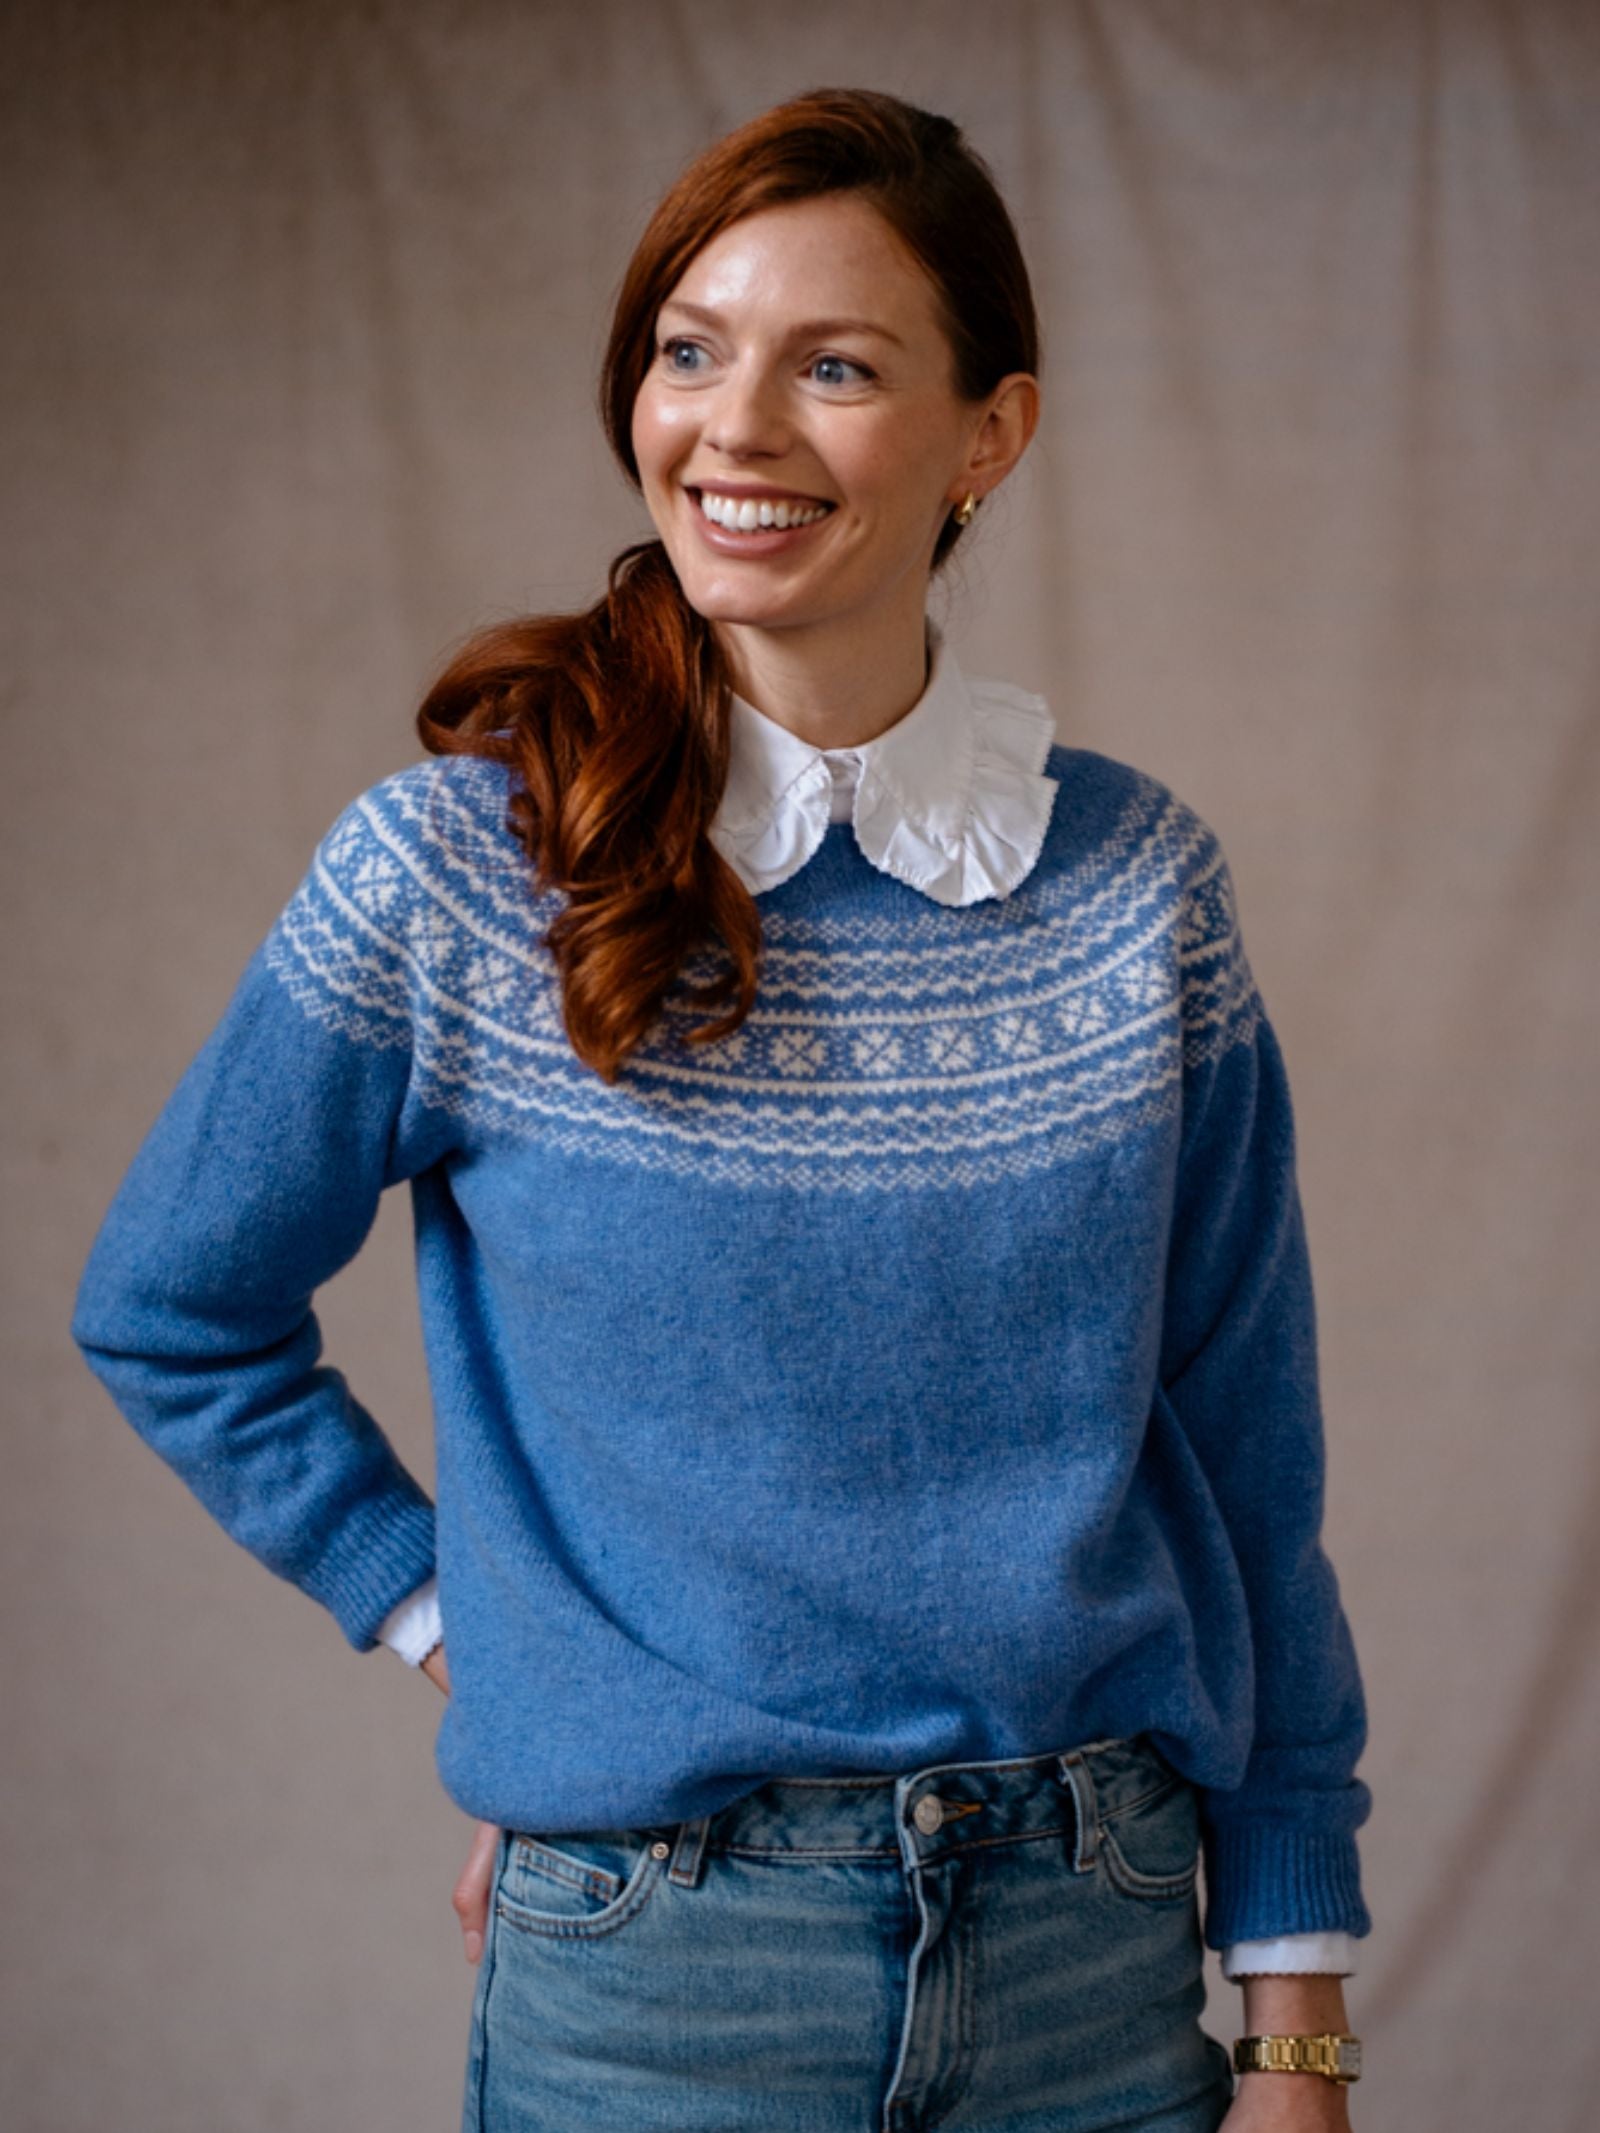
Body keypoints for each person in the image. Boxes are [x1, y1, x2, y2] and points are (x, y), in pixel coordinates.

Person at [72, 85, 1371, 2133]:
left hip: (1092, 1943)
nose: (731, 426)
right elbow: (170, 1302)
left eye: (831, 365)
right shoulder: (451, 872)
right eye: (690, 350)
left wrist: (1291, 2010)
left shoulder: (1138, 888)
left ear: (986, 435)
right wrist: (484, 1647)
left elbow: (1246, 1474)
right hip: (659, 1972)